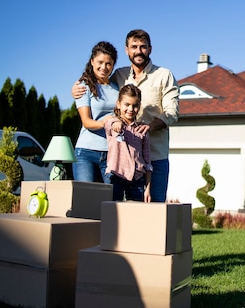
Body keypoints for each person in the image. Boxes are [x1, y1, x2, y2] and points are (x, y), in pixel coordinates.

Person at [73, 29, 179, 202]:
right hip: (124, 156)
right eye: (134, 46)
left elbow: (172, 112)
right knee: (113, 205)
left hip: (155, 156)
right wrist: (76, 88)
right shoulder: (119, 76)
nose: (138, 51)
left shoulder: (164, 75)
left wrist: (150, 127)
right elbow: (98, 81)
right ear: (127, 50)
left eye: (143, 47)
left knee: (155, 208)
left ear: (150, 49)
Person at [72, 41, 119, 184]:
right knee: (87, 199)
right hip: (86, 153)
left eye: (108, 64)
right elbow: (86, 122)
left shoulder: (117, 88)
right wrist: (105, 122)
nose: (103, 67)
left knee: (110, 201)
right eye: (100, 62)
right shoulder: (83, 86)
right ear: (92, 61)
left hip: (111, 153)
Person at [104, 84, 152, 202]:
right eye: (127, 105)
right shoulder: (112, 122)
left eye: (135, 106)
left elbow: (147, 162)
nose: (131, 109)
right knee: (113, 211)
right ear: (118, 104)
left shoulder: (142, 130)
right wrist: (117, 123)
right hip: (116, 176)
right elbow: (110, 125)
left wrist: (148, 188)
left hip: (137, 178)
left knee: (136, 213)